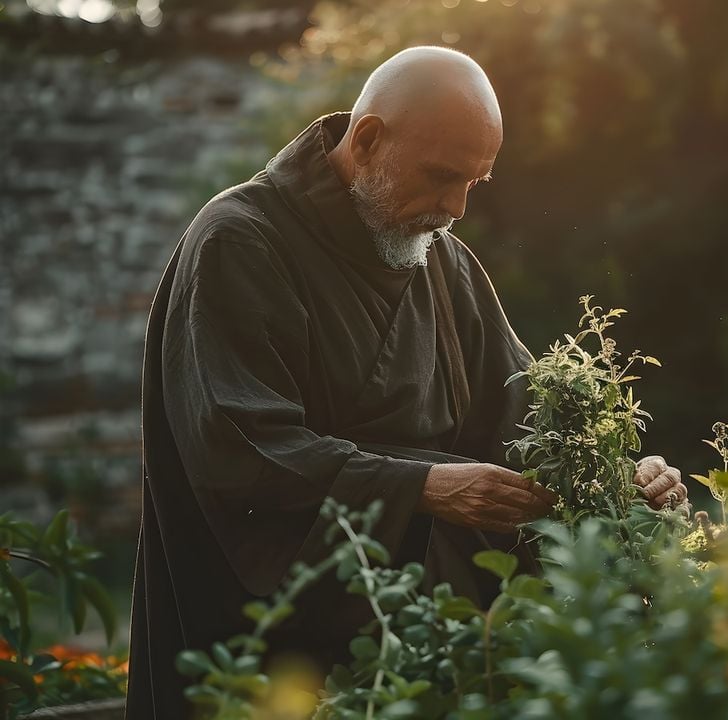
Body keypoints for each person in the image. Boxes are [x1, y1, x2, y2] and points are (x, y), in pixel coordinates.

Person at [125, 46, 686, 717]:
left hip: (432, 639)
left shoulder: (443, 262)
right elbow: (239, 450)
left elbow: (528, 421)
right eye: (441, 177)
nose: (454, 209)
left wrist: (620, 475)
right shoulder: (240, 242)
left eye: (473, 184)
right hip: (282, 647)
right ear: (366, 141)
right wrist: (422, 488)